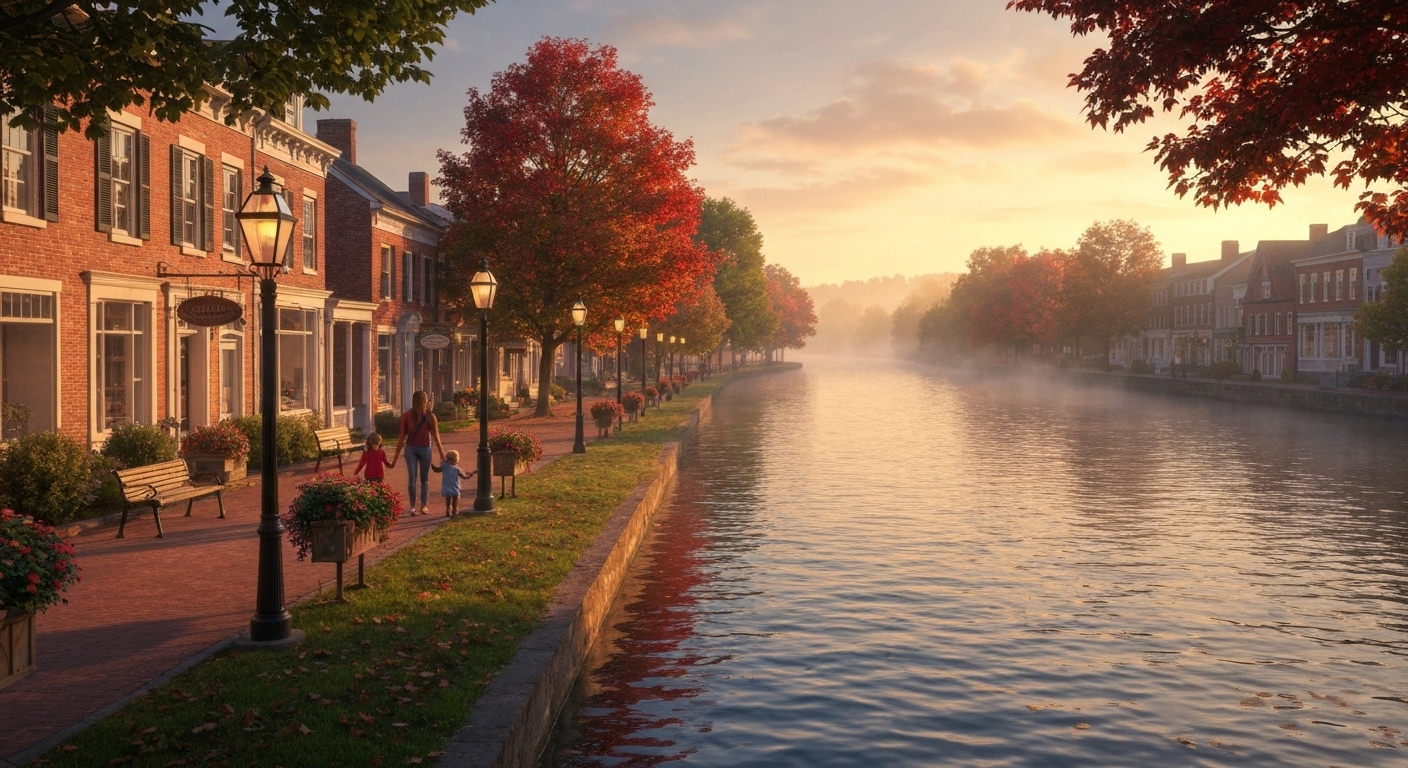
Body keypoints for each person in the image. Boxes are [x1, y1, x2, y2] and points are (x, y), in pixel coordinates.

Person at [391, 391, 445, 516]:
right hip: (418, 449)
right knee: (422, 479)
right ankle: (420, 506)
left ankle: (415, 506)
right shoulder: (412, 416)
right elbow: (436, 437)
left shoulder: (428, 417)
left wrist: (395, 458)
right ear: (425, 401)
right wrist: (443, 456)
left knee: (415, 478)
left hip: (417, 449)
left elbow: (401, 438)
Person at [432, 450, 475, 519]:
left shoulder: (444, 466)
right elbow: (465, 476)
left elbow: (436, 470)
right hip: (455, 488)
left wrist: (432, 465)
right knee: (455, 502)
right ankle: (454, 514)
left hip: (446, 487)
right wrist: (472, 473)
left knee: (448, 500)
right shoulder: (457, 469)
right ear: (456, 460)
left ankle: (448, 510)